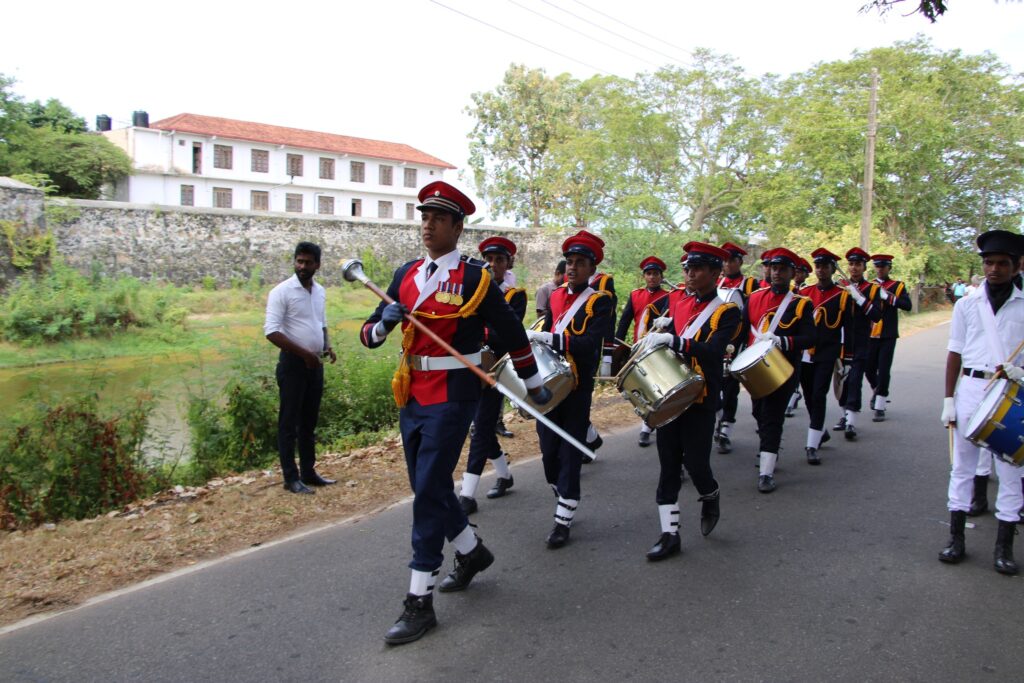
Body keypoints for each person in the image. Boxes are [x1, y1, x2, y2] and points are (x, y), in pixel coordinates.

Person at [359, 181, 550, 644]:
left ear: (457, 227)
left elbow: (511, 331)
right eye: (424, 216)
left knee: (426, 492)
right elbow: (367, 334)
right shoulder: (404, 273)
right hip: (412, 391)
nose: (427, 225)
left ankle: (419, 601)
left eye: (438, 218)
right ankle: (470, 551)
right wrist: (382, 326)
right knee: (426, 485)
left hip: (454, 392)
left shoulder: (474, 279)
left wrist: (533, 381)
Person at [639, 242, 741, 560]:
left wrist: (676, 339)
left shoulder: (728, 312)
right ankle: (670, 535)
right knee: (668, 465)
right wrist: (662, 329)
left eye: (697, 268)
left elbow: (713, 351)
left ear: (715, 272)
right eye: (687, 268)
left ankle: (710, 495)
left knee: (696, 464)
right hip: (671, 394)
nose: (690, 273)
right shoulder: (677, 302)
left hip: (702, 397)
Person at [938, 229, 1024, 575]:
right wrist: (948, 398)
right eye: (989, 262)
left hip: (1010, 391)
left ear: (1016, 266)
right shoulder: (966, 303)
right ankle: (956, 539)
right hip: (971, 390)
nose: (994, 269)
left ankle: (1004, 547)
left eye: (1002, 263)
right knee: (962, 467)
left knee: (1010, 470)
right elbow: (954, 352)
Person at [527, 230, 614, 548]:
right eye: (569, 262)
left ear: (592, 269)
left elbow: (591, 344)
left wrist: (551, 339)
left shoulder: (599, 302)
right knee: (549, 453)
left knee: (569, 451)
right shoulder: (554, 296)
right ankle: (562, 494)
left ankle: (562, 520)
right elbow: (546, 329)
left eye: (580, 263)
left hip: (577, 388)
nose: (573, 268)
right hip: (550, 382)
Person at [458, 236, 527, 514]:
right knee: (479, 426)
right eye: (488, 259)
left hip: (497, 369)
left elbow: (508, 334)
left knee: (482, 427)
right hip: (470, 366)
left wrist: (479, 331)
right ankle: (504, 475)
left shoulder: (515, 295)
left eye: (499, 259)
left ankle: (467, 493)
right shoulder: (473, 290)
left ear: (508, 263)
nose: (492, 264)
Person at [264, 242, 337, 495]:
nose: (302, 266)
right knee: (289, 424)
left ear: (317, 264)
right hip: (293, 365)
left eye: (308, 262)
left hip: (315, 364)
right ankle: (290, 478)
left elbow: (321, 322)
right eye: (299, 261)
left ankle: (309, 472)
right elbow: (271, 332)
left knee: (308, 423)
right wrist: (304, 354)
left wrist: (327, 346)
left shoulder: (320, 291)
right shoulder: (281, 292)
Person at [745, 248, 815, 493]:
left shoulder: (800, 304)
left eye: (782, 269)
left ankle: (766, 471)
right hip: (755, 366)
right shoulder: (754, 297)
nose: (776, 273)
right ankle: (769, 447)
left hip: (784, 367)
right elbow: (743, 329)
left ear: (791, 273)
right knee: (759, 412)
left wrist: (783, 341)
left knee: (773, 414)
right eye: (774, 268)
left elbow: (810, 337)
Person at [798, 249, 854, 464]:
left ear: (832, 269)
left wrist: (847, 358)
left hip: (826, 352)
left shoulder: (842, 296)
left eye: (825, 266)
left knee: (819, 394)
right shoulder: (804, 293)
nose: (821, 270)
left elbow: (848, 330)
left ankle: (811, 445)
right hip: (804, 354)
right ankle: (821, 431)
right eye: (818, 266)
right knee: (809, 394)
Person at [615, 256, 670, 447]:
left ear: (661, 276)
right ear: (644, 276)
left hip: (658, 347)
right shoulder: (635, 294)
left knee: (657, 386)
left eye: (656, 274)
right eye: (649, 274)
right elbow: (625, 320)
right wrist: (617, 343)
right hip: (638, 347)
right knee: (642, 386)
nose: (652, 277)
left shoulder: (668, 297)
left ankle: (647, 427)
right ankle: (648, 420)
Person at [833, 247, 885, 440]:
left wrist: (858, 296)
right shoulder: (840, 287)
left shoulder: (872, 289)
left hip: (861, 342)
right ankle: (844, 415)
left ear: (864, 267)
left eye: (858, 264)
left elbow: (876, 315)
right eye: (852, 264)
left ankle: (851, 422)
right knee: (842, 381)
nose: (854, 268)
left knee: (855, 380)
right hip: (841, 342)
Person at [714, 242, 760, 454]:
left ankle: (725, 429)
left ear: (740, 262)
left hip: (737, 344)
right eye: (725, 260)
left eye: (732, 260)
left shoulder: (751, 284)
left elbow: (756, 315)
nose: (728, 264)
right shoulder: (715, 281)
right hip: (715, 342)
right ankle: (715, 421)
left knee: (730, 388)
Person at [865, 254, 913, 421]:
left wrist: (889, 297)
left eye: (883, 266)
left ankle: (879, 405)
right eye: (877, 266)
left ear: (889, 268)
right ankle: (878, 389)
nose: (880, 269)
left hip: (887, 334)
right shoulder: (869, 286)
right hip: (870, 333)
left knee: (884, 370)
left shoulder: (897, 286)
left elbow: (907, 306)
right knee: (868, 368)